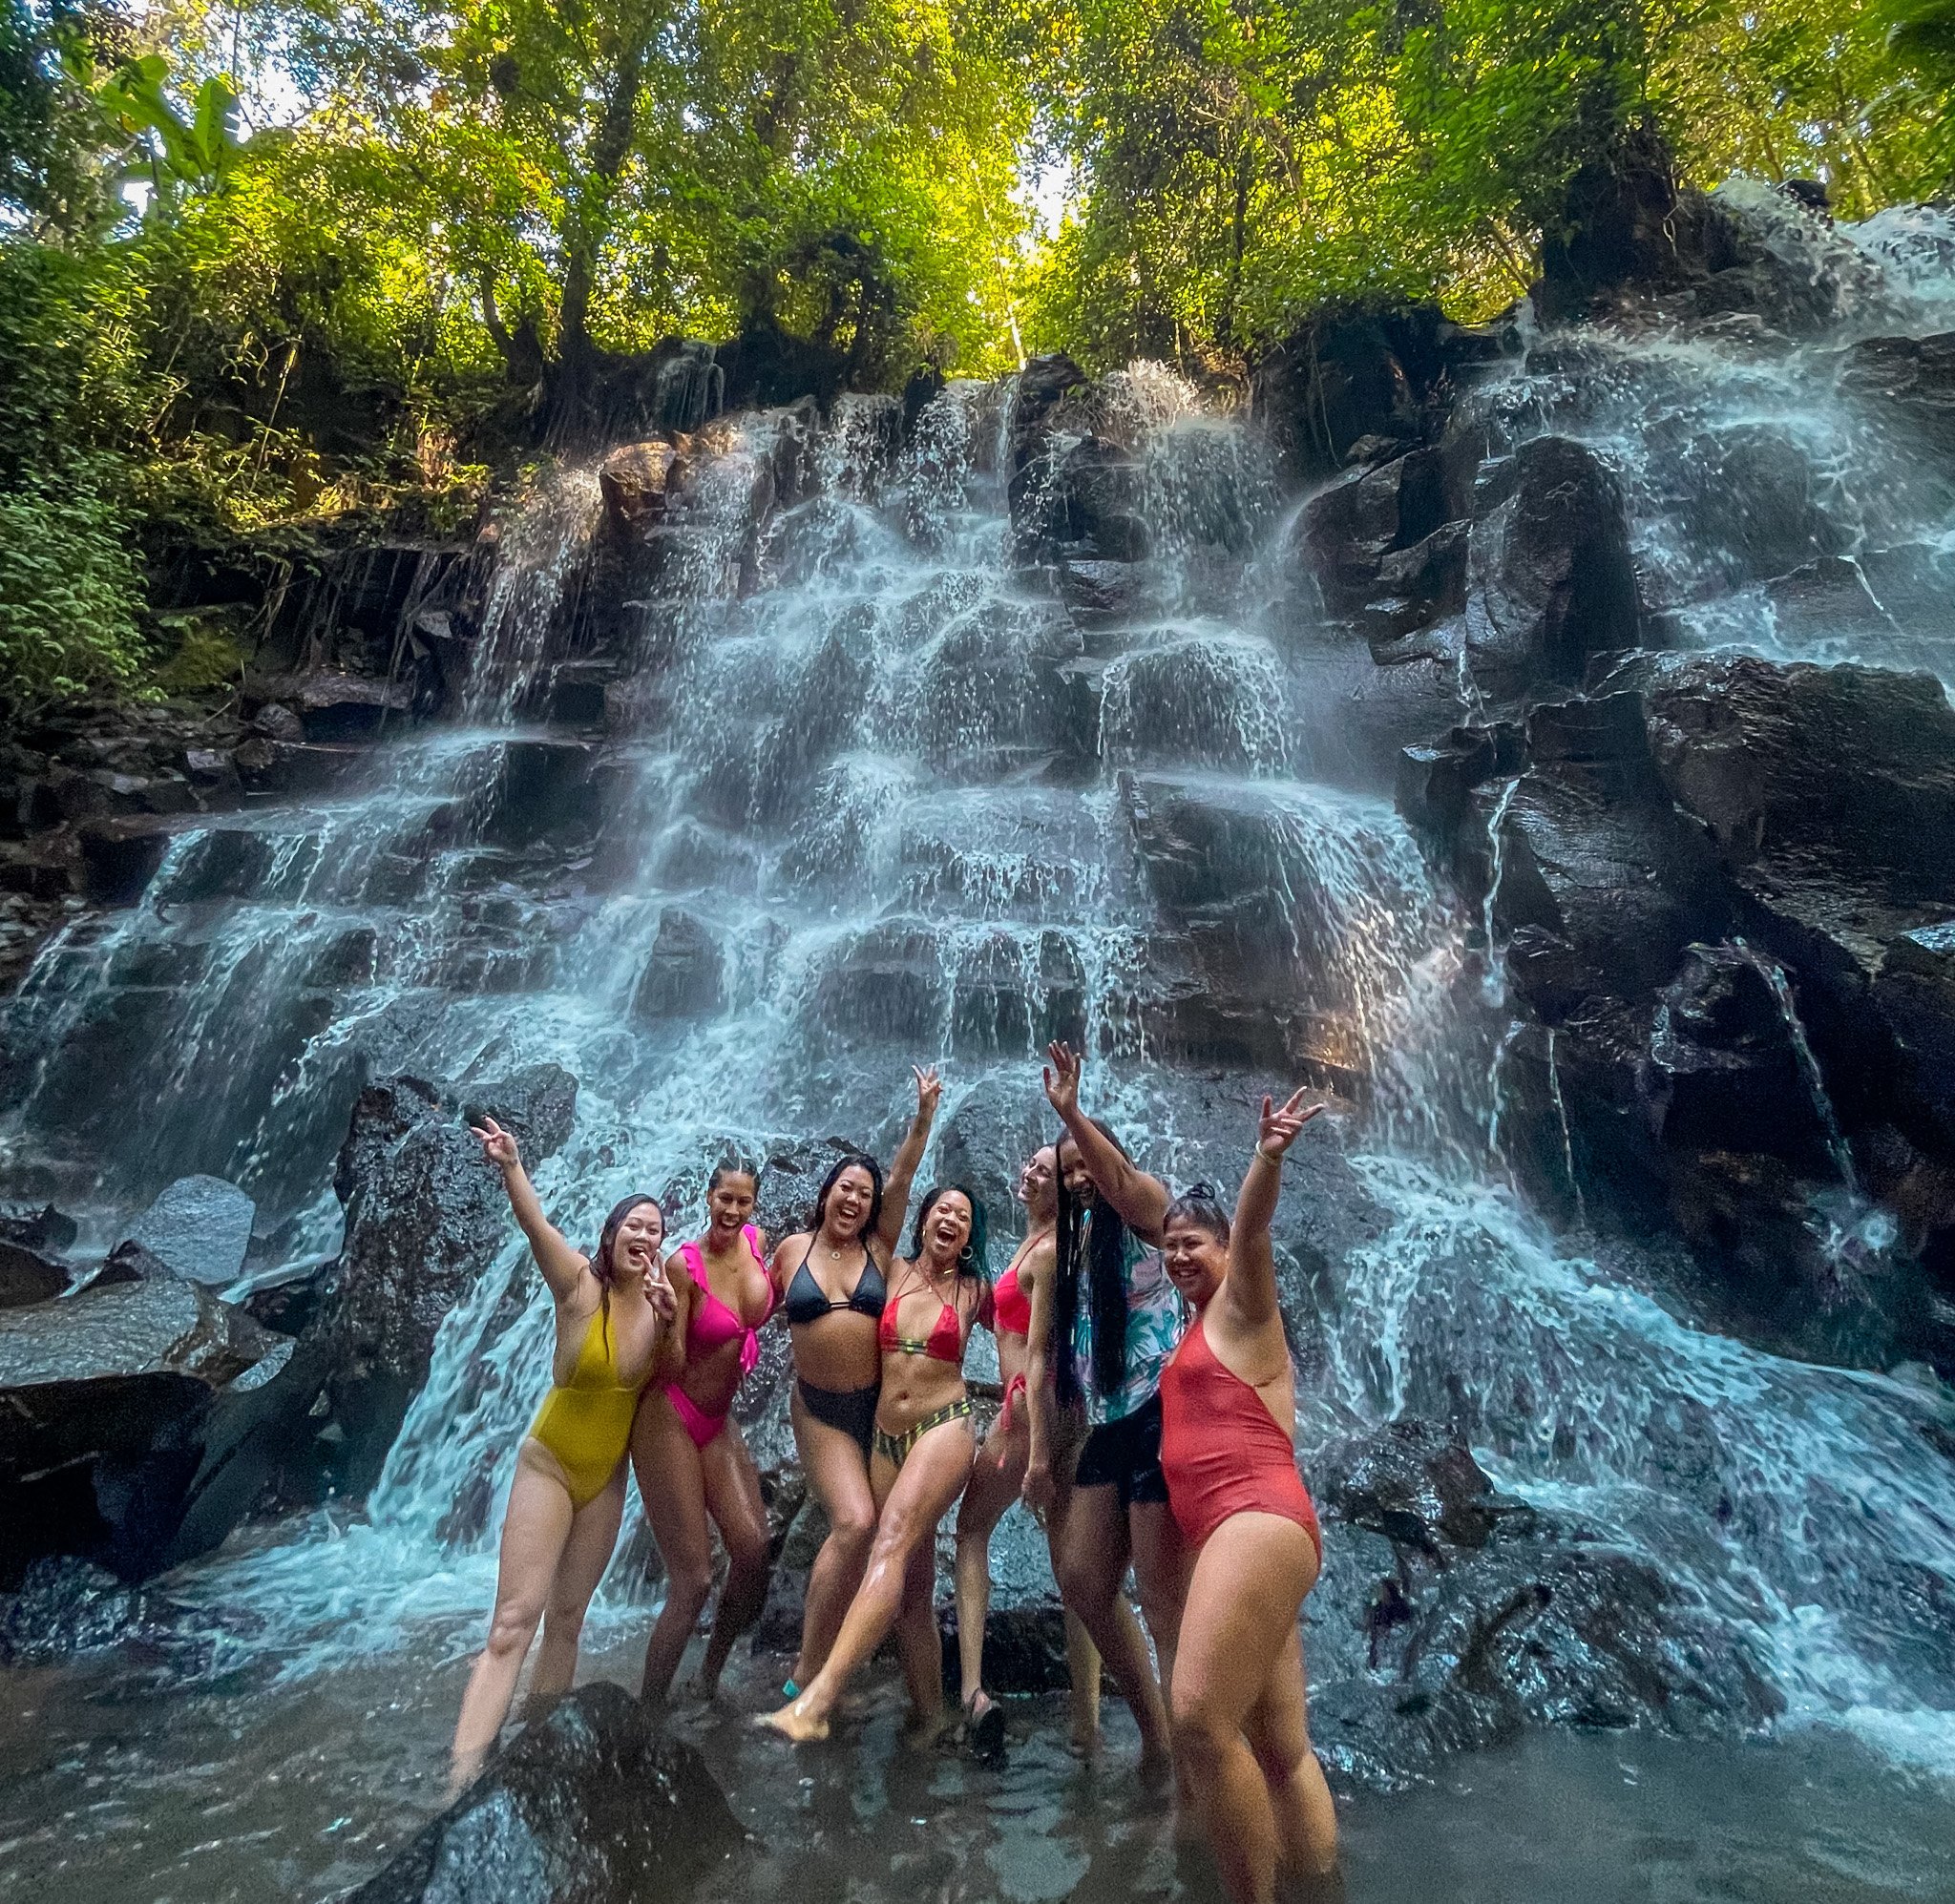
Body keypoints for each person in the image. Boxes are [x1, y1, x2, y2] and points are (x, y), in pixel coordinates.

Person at [449, 1119, 678, 1795]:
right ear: (611, 1238)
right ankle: (461, 1779)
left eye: (656, 1229)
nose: (645, 1235)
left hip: (605, 1481)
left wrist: (675, 1321)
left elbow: (686, 1379)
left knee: (569, 1620)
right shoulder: (581, 1286)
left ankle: (534, 1746)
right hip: (548, 1465)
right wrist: (512, 1163)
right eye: (634, 1225)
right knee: (512, 1622)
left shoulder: (662, 1307)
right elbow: (534, 1223)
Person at [1158, 1090, 1336, 1904]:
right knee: (1280, 1747)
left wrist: (1265, 1157)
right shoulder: (1197, 1328)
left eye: (1192, 1241)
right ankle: (1319, 1888)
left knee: (1197, 1720)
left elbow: (1255, 1227)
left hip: (1255, 1515)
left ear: (1226, 1252)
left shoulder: (1243, 1306)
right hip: (1244, 1532)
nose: (1178, 1256)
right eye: (1168, 1246)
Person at [760, 1183, 993, 1747]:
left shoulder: (976, 1291)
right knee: (912, 1589)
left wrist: (1024, 1408)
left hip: (947, 1426)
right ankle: (931, 1715)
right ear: (923, 1220)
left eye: (962, 1218)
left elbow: (1025, 1339)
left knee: (887, 1543)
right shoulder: (889, 1271)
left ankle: (816, 1701)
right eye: (942, 1209)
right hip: (886, 1437)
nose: (950, 1220)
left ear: (967, 1238)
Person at [1029, 1039, 1185, 1782]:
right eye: (1069, 1176)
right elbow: (1055, 1359)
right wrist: (1034, 1454)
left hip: (1162, 1417)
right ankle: (1157, 1734)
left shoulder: (1150, 1212)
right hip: (1110, 1422)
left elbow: (1121, 1179)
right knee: (1084, 1578)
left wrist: (1070, 1112)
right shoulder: (1078, 1240)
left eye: (1087, 1165)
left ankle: (1190, 1751)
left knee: (1161, 1601)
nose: (1083, 1180)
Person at [772, 1066, 941, 1697]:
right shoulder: (790, 1249)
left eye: (864, 1195)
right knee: (852, 1521)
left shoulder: (880, 1246)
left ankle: (861, 1664)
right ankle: (805, 1672)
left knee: (887, 1534)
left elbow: (902, 1179)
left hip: (876, 1412)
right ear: (826, 1193)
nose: (855, 1200)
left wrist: (922, 1115)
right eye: (846, 1188)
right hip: (819, 1412)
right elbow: (746, 1308)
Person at [953, 1142, 1103, 1752]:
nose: (1030, 1173)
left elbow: (1037, 1356)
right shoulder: (1044, 1240)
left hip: (1029, 1410)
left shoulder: (1048, 1251)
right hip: (1069, 1409)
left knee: (970, 1530)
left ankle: (971, 1692)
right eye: (1032, 1165)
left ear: (1063, 1191)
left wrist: (1036, 1454)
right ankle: (1086, 1727)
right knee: (1075, 1570)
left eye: (1044, 1171)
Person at [632, 1155, 776, 1705]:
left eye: (743, 1201)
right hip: (668, 1415)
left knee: (753, 1550)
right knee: (692, 1582)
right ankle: (646, 1714)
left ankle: (708, 1677)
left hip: (717, 1421)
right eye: (725, 1200)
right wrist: (668, 1320)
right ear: (708, 1197)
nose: (733, 1211)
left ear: (753, 1206)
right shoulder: (681, 1265)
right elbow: (667, 1367)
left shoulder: (758, 1246)